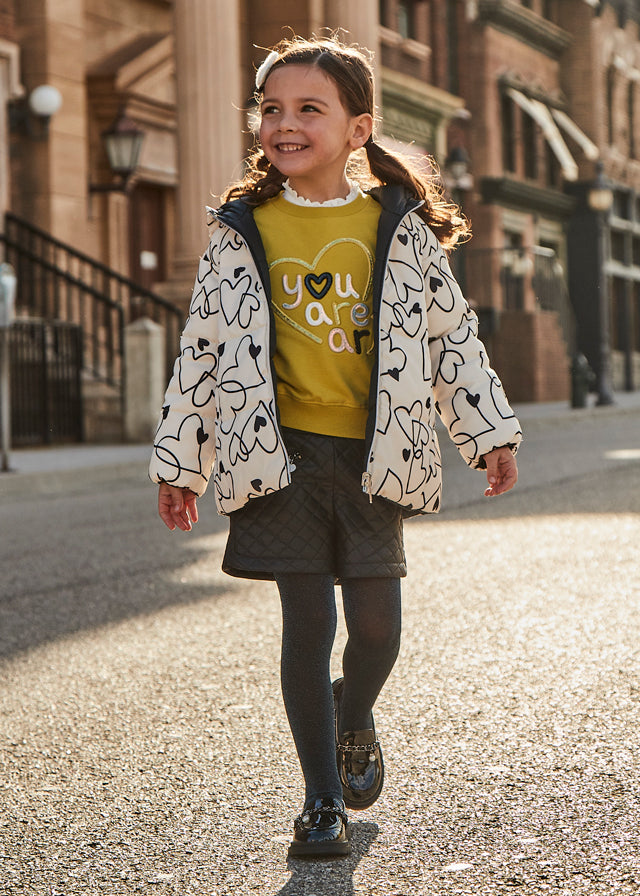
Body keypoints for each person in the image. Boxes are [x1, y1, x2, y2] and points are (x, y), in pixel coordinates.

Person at [149, 35, 521, 859]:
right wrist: (182, 464)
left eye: (308, 109)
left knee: (378, 629)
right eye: (271, 109)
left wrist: (488, 433)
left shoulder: (399, 226)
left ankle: (353, 712)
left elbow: (450, 338)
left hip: (376, 454)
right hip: (275, 454)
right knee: (308, 621)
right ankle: (321, 801)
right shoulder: (240, 230)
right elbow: (201, 351)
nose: (284, 124)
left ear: (358, 129)